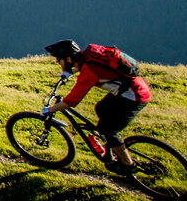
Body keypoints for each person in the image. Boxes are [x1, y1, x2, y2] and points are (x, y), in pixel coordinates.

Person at [42, 39, 151, 174]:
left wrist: (50, 110)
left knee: (108, 129)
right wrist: (68, 72)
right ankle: (111, 147)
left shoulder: (89, 73)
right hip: (130, 89)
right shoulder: (89, 55)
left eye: (59, 60)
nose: (57, 62)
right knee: (100, 109)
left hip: (134, 96)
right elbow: (91, 68)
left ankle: (128, 164)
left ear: (69, 59)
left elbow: (71, 101)